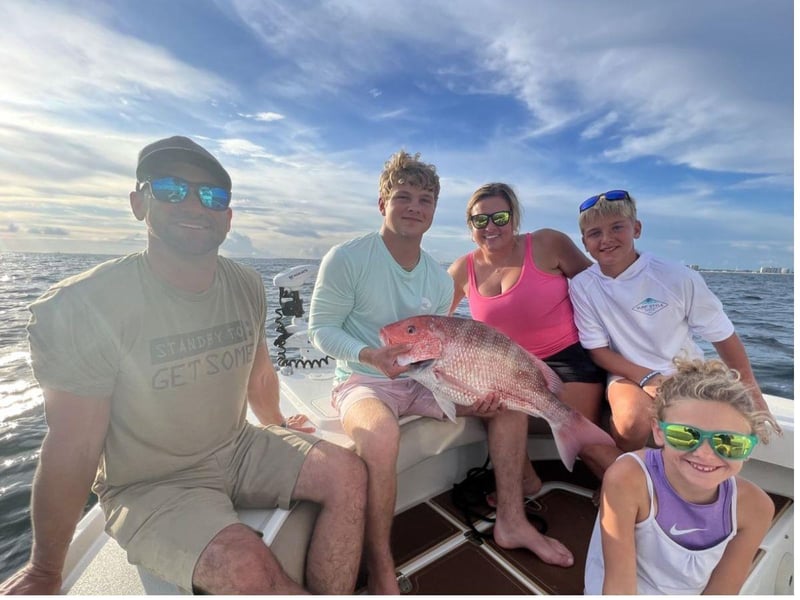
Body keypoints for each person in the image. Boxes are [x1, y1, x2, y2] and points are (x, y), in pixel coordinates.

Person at [0, 136, 366, 595]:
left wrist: (276, 425)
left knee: (349, 473)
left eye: (212, 196)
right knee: (246, 566)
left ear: (228, 218)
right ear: (139, 203)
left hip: (237, 448)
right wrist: (45, 571)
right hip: (151, 484)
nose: (194, 204)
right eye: (172, 189)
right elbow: (73, 447)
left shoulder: (246, 284)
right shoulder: (83, 305)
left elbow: (259, 373)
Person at [308, 152, 573, 594]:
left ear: (434, 210)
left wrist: (476, 384)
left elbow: (439, 348)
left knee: (506, 404)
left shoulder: (436, 277)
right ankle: (381, 564)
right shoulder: (348, 258)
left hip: (424, 382)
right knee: (380, 436)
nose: (415, 207)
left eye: (425, 199)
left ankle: (512, 520)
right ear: (382, 204)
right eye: (403, 197)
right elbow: (321, 330)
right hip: (363, 380)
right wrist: (371, 356)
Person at [569, 190, 779, 452]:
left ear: (637, 228)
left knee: (712, 427)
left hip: (686, 370)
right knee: (631, 422)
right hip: (627, 371)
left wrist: (752, 391)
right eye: (595, 233)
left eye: (617, 227)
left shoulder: (677, 277)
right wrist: (649, 378)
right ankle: (630, 480)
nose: (606, 239)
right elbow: (597, 351)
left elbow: (722, 335)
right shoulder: (583, 286)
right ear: (584, 243)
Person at [449, 182, 617, 487]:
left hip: (567, 362)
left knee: (584, 442)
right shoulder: (462, 269)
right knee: (485, 403)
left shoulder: (548, 243)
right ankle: (525, 479)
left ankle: (645, 499)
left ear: (514, 219)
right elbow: (431, 322)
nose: (491, 226)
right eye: (480, 220)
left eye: (500, 218)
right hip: (508, 369)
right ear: (470, 225)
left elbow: (601, 289)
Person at [584, 358, 774, 594]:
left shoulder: (755, 507)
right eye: (685, 435)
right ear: (658, 432)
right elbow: (619, 587)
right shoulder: (629, 479)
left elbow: (722, 591)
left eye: (729, 443)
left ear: (749, 449)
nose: (704, 453)